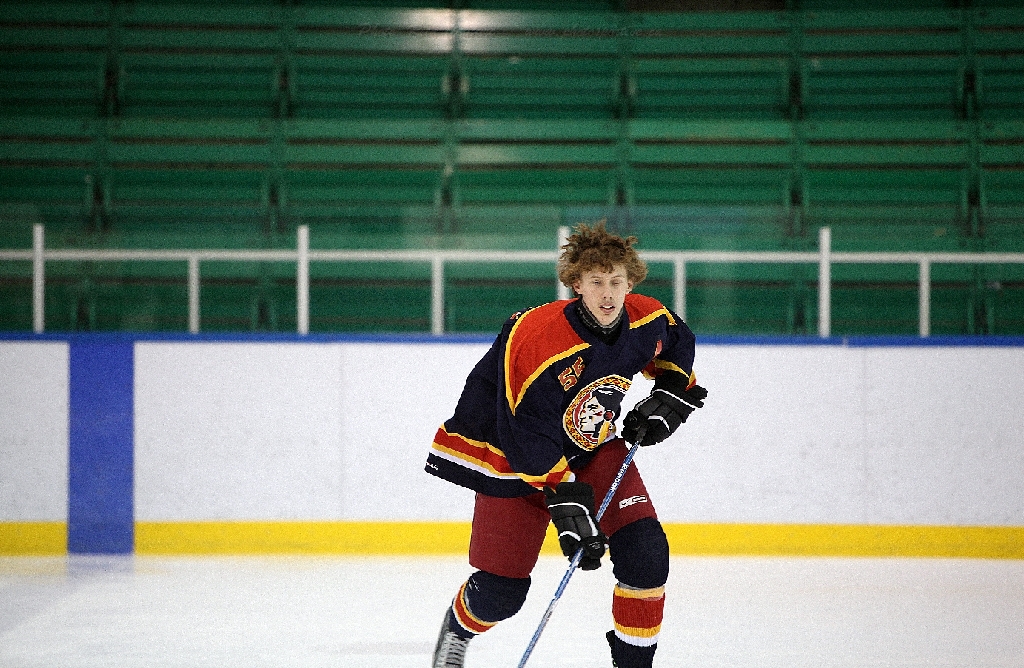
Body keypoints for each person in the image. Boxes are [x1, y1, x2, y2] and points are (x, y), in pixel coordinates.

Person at [425, 221, 707, 668]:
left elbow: (675, 342)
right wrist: (567, 501)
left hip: (590, 445)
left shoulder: (647, 317)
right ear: (576, 284)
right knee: (501, 593)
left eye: (616, 281)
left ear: (630, 283)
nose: (608, 295)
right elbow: (525, 430)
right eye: (596, 282)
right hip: (513, 459)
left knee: (646, 553)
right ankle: (458, 629)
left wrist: (671, 393)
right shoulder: (538, 338)